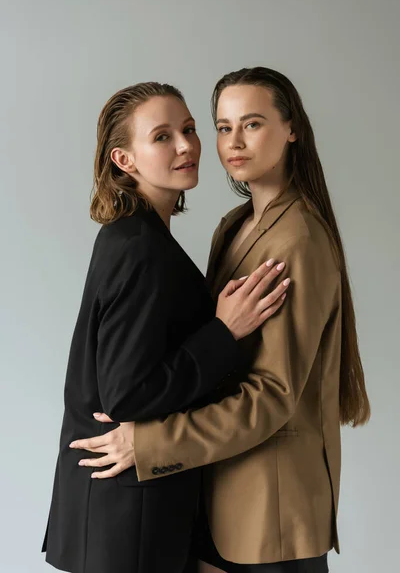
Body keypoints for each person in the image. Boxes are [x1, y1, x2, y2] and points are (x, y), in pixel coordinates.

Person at [72, 68, 371, 573]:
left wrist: (147, 443)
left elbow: (271, 396)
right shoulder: (233, 227)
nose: (232, 142)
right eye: (223, 126)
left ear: (291, 128)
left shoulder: (296, 241)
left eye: (252, 124)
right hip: (216, 496)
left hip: (267, 513)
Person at [41, 81, 289, 573]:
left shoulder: (138, 237)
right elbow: (126, 394)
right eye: (162, 136)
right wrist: (224, 332)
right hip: (128, 522)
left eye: (190, 129)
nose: (186, 146)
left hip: (128, 514)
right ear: (124, 160)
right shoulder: (140, 248)